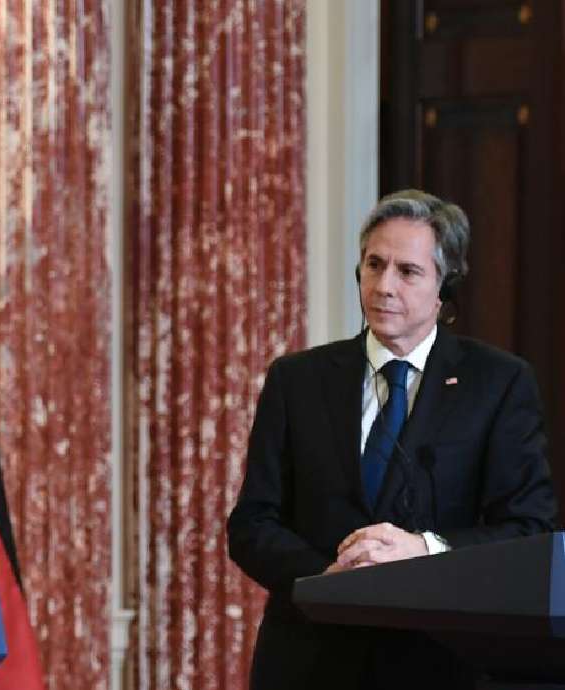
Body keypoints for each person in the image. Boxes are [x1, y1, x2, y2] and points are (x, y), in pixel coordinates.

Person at [227, 189, 557, 690]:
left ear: (446, 287)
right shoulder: (297, 379)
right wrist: (329, 580)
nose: (384, 286)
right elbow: (252, 523)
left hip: (438, 661)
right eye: (374, 265)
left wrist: (424, 548)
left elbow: (527, 526)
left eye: (408, 271)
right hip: (310, 660)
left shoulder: (498, 383)